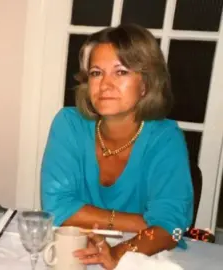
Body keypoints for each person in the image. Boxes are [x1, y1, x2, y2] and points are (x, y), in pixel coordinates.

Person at [41, 24, 193, 269]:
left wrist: (120, 251)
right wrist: (145, 223)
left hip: (140, 259)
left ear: (145, 84)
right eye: (96, 73)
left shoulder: (165, 138)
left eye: (121, 72)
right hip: (75, 254)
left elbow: (172, 228)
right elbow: (58, 210)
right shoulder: (68, 124)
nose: (105, 85)